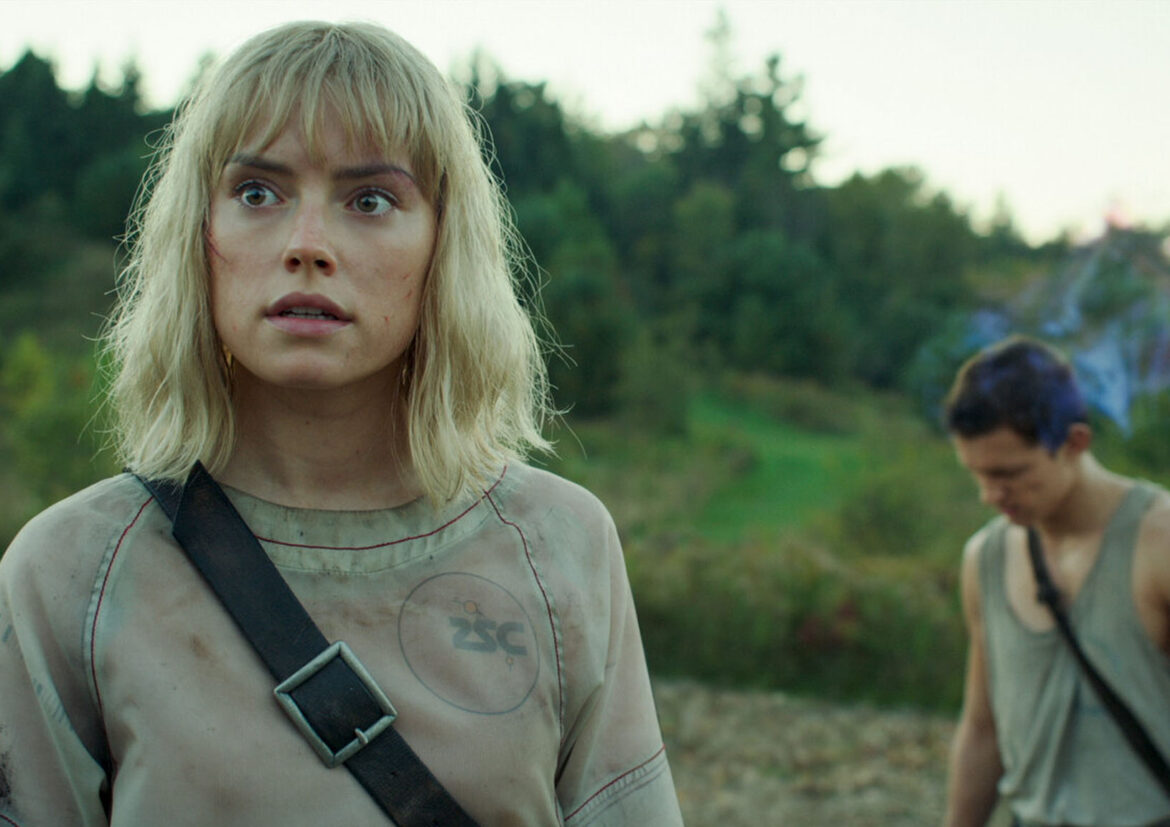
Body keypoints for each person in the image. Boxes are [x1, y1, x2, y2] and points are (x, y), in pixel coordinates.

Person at [0, 21, 683, 826]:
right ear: (198, 233)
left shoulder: (560, 548)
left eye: (370, 200)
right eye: (258, 192)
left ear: (443, 245)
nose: (308, 245)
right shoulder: (72, 573)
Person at [941, 335, 1170, 827]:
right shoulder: (986, 559)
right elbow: (983, 729)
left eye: (1008, 473)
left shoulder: (1159, 546)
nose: (989, 495)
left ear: (1074, 443)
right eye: (977, 474)